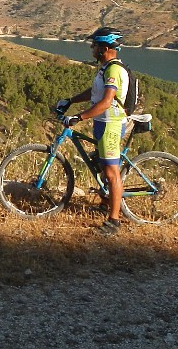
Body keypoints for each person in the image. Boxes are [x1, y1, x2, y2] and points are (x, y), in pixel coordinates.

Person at [55, 26, 131, 236]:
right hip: (101, 122)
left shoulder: (114, 69)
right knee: (101, 164)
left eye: (94, 45)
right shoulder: (105, 68)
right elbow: (94, 93)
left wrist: (79, 117)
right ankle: (106, 203)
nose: (92, 48)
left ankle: (114, 221)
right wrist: (71, 100)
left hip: (110, 124)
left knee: (111, 172)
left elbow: (106, 102)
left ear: (104, 47)